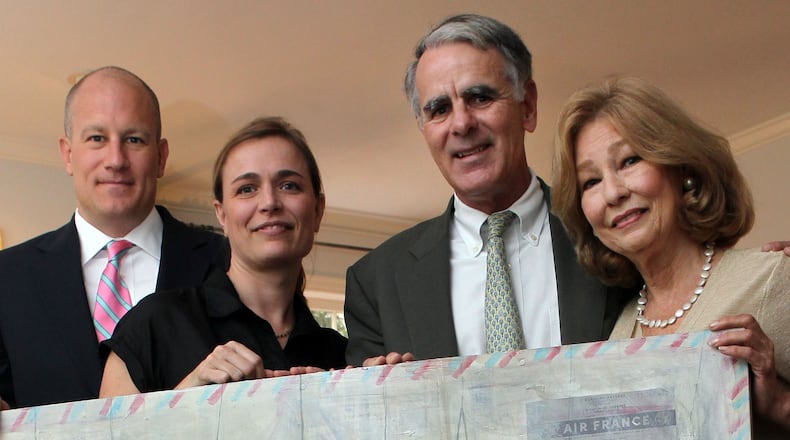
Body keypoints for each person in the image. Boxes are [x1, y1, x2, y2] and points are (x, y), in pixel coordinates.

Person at [344, 14, 630, 367]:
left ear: (527, 106)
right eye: (439, 109)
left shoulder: (608, 229)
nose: (461, 123)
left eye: (479, 97)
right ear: (423, 127)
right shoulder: (376, 281)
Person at [552, 76, 789, 434]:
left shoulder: (770, 276)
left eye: (629, 160)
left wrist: (780, 404)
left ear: (681, 168)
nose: (613, 193)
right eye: (591, 181)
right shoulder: (617, 334)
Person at [0, 67, 227, 408]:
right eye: (96, 139)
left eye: (134, 139)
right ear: (67, 154)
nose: (116, 160)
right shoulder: (8, 277)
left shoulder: (225, 263)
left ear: (161, 156)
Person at [99, 117, 346, 396]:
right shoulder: (153, 324)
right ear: (222, 215)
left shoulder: (341, 357)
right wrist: (187, 396)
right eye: (247, 189)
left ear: (317, 210)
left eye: (289, 185)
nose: (269, 203)